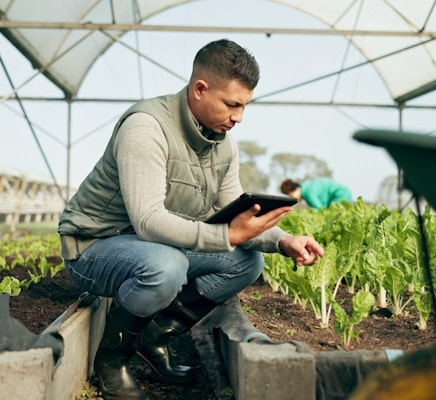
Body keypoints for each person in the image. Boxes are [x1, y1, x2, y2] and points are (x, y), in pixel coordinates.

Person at [58, 39, 324, 400]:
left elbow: (236, 210)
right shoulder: (146, 127)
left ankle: (154, 338)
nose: (239, 117)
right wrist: (226, 235)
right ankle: (112, 358)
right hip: (95, 247)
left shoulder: (223, 144)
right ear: (200, 89)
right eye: (232, 104)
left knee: (247, 261)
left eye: (245, 106)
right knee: (166, 266)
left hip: (148, 247)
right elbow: (149, 221)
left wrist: (283, 240)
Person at [280, 178, 352, 210]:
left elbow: (320, 209)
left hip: (340, 195)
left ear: (297, 189)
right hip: (343, 193)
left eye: (292, 195)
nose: (294, 198)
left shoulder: (309, 193)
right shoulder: (308, 188)